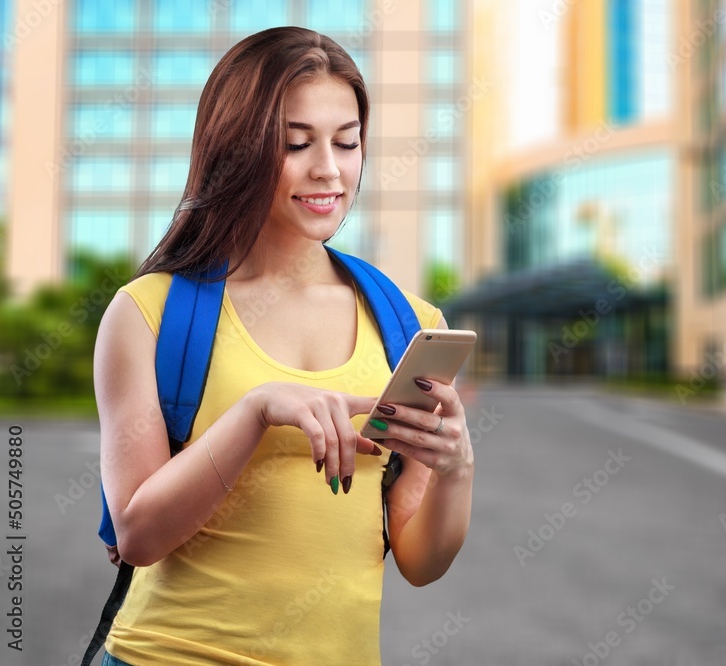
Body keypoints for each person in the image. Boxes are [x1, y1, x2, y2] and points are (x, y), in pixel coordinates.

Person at [93, 27, 474, 666]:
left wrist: (457, 468)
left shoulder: (408, 323)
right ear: (235, 150)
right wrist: (255, 411)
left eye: (347, 142)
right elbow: (137, 535)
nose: (328, 168)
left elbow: (419, 563)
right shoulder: (149, 313)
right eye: (295, 143)